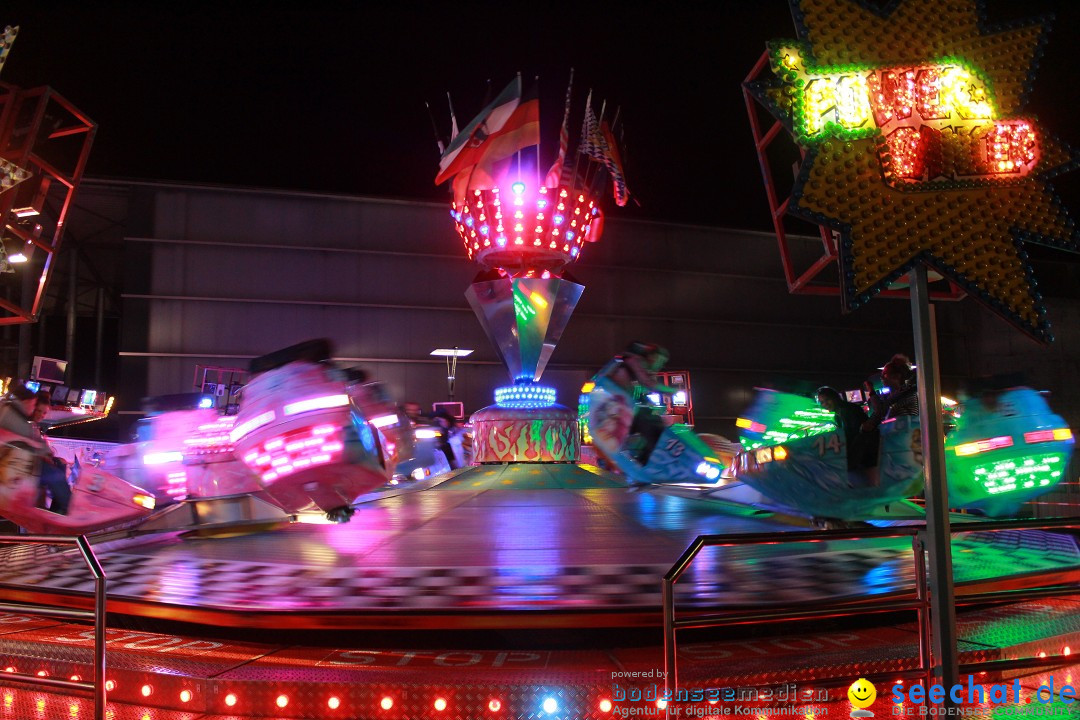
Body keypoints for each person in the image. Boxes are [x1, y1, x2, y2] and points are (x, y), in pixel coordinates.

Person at [598, 341, 675, 465]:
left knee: (652, 424)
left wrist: (654, 406)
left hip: (621, 406)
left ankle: (640, 460)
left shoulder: (637, 366)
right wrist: (671, 390)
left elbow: (640, 394)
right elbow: (647, 383)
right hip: (616, 407)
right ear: (653, 356)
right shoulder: (635, 361)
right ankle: (645, 463)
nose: (660, 366)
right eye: (660, 361)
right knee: (653, 426)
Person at [0, 383, 70, 514]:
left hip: (20, 461)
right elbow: (31, 442)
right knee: (57, 476)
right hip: (15, 464)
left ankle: (56, 510)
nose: (33, 410)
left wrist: (46, 454)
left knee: (59, 466)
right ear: (26, 402)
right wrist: (44, 453)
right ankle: (67, 511)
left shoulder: (13, 412)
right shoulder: (12, 415)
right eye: (34, 407)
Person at [816, 386, 876, 470]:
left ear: (835, 397)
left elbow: (855, 434)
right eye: (822, 402)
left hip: (865, 452)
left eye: (827, 400)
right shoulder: (837, 415)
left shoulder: (848, 410)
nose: (825, 404)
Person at [862, 354, 919, 432]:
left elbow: (882, 413)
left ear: (897, 376)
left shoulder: (908, 395)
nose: (881, 378)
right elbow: (879, 413)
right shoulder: (891, 396)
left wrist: (871, 390)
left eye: (885, 374)